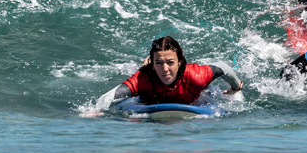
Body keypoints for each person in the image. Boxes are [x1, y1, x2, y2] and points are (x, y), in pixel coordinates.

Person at [97, 36, 243, 108]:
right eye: (159, 63)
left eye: (170, 63)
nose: (165, 69)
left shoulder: (196, 76)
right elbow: (110, 96)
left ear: (180, 62)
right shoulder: (144, 78)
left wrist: (235, 87)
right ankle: (148, 62)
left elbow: (223, 67)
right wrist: (97, 110)